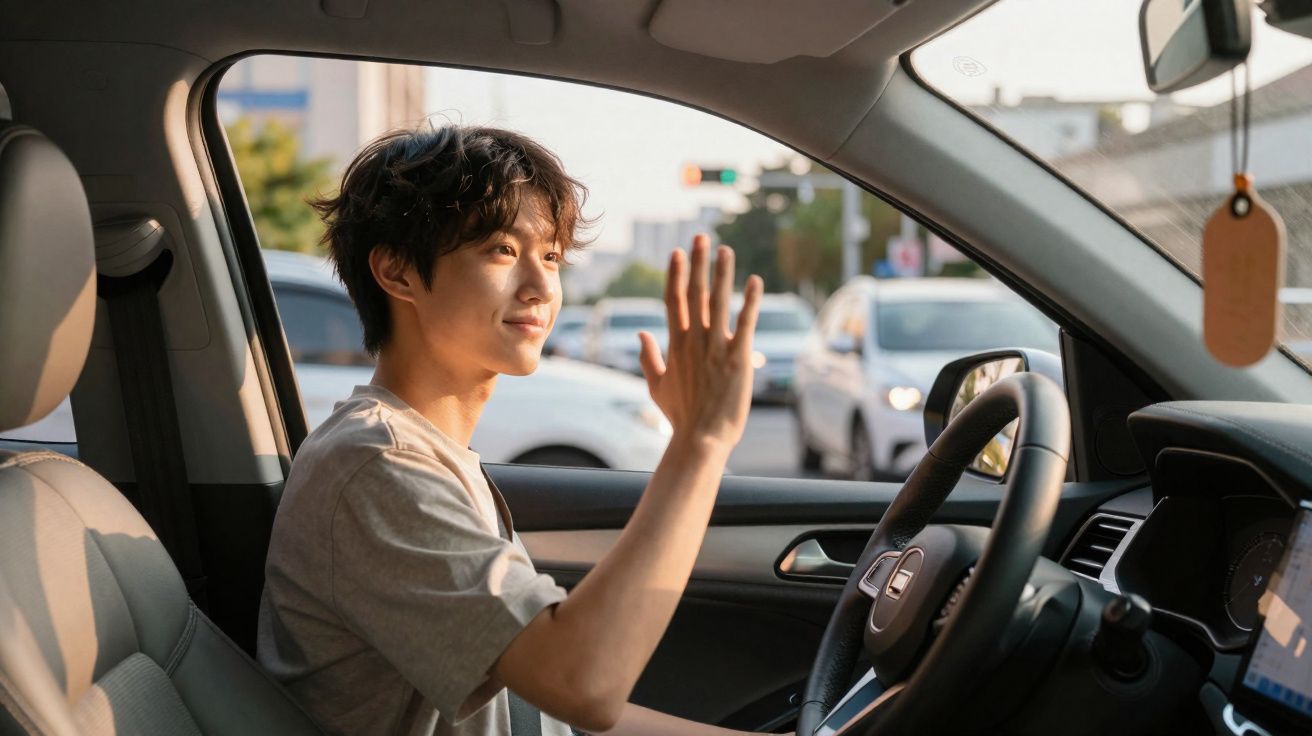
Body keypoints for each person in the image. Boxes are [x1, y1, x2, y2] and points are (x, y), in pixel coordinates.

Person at [257, 124, 764, 736]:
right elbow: (583, 684)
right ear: (397, 273)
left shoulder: (426, 453)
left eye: (550, 255)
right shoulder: (374, 466)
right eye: (501, 249)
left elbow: (542, 712)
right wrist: (700, 443)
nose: (542, 286)